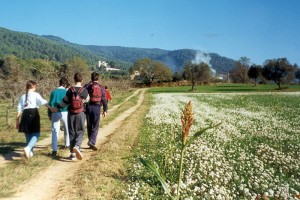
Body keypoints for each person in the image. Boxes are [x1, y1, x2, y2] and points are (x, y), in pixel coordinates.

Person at [17, 80, 54, 159]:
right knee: (36, 133)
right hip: (33, 113)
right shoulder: (35, 94)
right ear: (33, 86)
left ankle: (30, 153)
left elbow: (19, 109)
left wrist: (17, 120)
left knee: (28, 133)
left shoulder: (23, 96)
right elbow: (43, 102)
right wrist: (51, 108)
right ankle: (28, 148)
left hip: (25, 114)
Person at [56, 73, 89, 161]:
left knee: (71, 132)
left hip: (71, 113)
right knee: (80, 131)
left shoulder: (70, 89)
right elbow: (87, 100)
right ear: (82, 80)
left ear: (74, 80)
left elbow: (65, 101)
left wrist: (57, 107)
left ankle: (72, 154)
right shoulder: (84, 90)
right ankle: (77, 146)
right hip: (80, 113)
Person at [85, 72, 108, 151]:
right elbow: (104, 99)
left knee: (89, 125)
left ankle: (90, 141)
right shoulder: (101, 87)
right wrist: (105, 109)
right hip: (97, 107)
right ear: (98, 78)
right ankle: (92, 141)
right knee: (95, 125)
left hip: (88, 107)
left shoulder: (87, 86)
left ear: (91, 78)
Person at [48, 77, 70, 156]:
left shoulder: (54, 92)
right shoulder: (67, 92)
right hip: (65, 112)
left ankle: (54, 149)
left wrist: (49, 114)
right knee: (67, 129)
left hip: (55, 112)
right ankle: (67, 144)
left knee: (55, 131)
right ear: (65, 84)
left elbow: (50, 103)